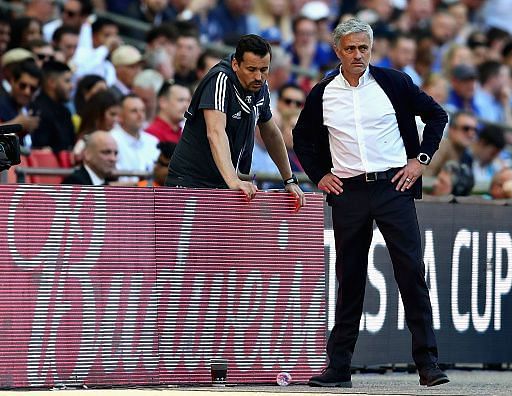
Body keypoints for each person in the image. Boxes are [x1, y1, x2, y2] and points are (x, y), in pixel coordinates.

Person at [293, 18, 449, 388]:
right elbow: (302, 138)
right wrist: (319, 176)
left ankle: (427, 364)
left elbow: (437, 115)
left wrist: (421, 160)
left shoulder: (392, 82)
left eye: (363, 47)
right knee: (349, 278)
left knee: (411, 272)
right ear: (337, 51)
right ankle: (339, 367)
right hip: (348, 191)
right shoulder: (323, 92)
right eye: (350, 48)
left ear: (371, 48)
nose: (358, 54)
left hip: (393, 186)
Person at [166, 34, 305, 208]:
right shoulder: (220, 80)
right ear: (235, 64)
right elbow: (215, 132)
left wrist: (289, 179)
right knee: (186, 236)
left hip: (222, 182)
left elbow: (271, 132)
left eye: (264, 69)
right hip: (190, 181)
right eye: (251, 69)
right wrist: (234, 180)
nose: (258, 77)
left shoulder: (261, 86)